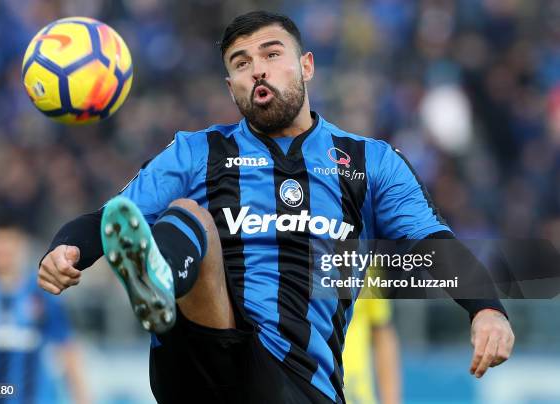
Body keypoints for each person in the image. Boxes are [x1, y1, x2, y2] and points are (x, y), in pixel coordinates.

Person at [38, 11, 515, 404]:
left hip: (298, 382)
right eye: (241, 64)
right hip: (199, 361)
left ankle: (160, 288)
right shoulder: (197, 152)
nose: (258, 70)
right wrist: (64, 250)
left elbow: (430, 242)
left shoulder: (370, 162)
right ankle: (158, 289)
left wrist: (486, 308)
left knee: (189, 216)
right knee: (186, 214)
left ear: (306, 66)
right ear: (231, 87)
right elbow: (111, 221)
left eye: (271, 55)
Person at [0, 210, 89, 404]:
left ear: (21, 244)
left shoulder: (44, 290)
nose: (2, 249)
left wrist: (83, 399)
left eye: (8, 242)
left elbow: (67, 351)